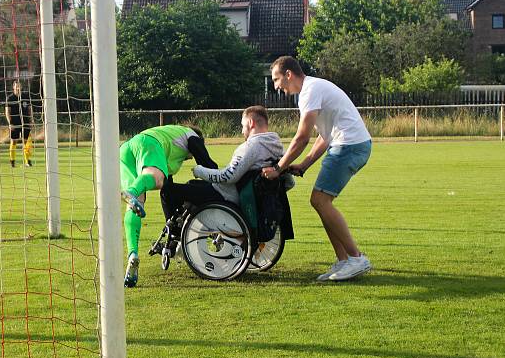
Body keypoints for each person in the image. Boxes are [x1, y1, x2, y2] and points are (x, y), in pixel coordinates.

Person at [262, 56, 372, 282]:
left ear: (289, 74)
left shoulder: (309, 92)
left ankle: (356, 257)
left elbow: (302, 138)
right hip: (351, 144)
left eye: (276, 79)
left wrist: (278, 168)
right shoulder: (313, 88)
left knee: (320, 201)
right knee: (321, 201)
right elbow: (324, 135)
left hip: (349, 146)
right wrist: (304, 164)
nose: (275, 86)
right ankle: (344, 261)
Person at [119, 124, 217, 287]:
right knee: (156, 179)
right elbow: (207, 164)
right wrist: (226, 179)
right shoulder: (191, 135)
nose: (190, 158)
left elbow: (167, 193)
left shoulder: (171, 143)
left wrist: (172, 229)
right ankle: (131, 191)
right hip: (147, 143)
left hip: (126, 150)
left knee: (135, 204)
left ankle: (132, 254)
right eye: (190, 156)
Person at [159, 106, 288, 220]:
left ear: (251, 122)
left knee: (168, 191)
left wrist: (200, 171)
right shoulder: (278, 147)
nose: (242, 131)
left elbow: (228, 176)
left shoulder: (251, 146)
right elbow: (289, 182)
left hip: (226, 195)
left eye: (243, 126)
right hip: (244, 195)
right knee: (191, 185)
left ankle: (173, 237)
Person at [5, 80, 34, 167]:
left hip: (25, 122)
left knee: (26, 142)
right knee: (14, 141)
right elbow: (7, 112)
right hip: (15, 123)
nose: (18, 88)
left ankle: (27, 161)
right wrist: (10, 123)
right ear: (13, 87)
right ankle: (12, 161)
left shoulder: (25, 97)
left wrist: (31, 120)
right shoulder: (10, 98)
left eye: (19, 86)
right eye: (16, 86)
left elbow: (30, 109)